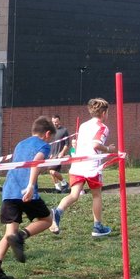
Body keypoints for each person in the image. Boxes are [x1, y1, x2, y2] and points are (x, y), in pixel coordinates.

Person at [0, 117, 56, 279]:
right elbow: (36, 162)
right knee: (47, 220)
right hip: (26, 192)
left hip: (9, 191)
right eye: (50, 138)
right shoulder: (44, 145)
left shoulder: (20, 144)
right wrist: (31, 185)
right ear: (47, 134)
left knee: (9, 234)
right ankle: (22, 236)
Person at [49, 97, 115, 238]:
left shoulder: (84, 125)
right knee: (96, 195)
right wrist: (108, 149)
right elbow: (96, 144)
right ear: (104, 113)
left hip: (77, 165)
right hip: (92, 167)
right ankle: (97, 227)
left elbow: (80, 143)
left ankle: (57, 212)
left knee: (74, 195)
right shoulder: (103, 127)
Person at [47, 114, 71, 193]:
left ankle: (64, 183)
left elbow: (67, 144)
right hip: (52, 155)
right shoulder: (51, 131)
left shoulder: (64, 130)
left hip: (59, 155)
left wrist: (62, 152)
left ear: (59, 121)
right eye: (53, 122)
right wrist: (49, 153)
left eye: (56, 122)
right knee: (52, 171)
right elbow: (50, 143)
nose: (55, 123)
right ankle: (58, 187)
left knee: (51, 170)